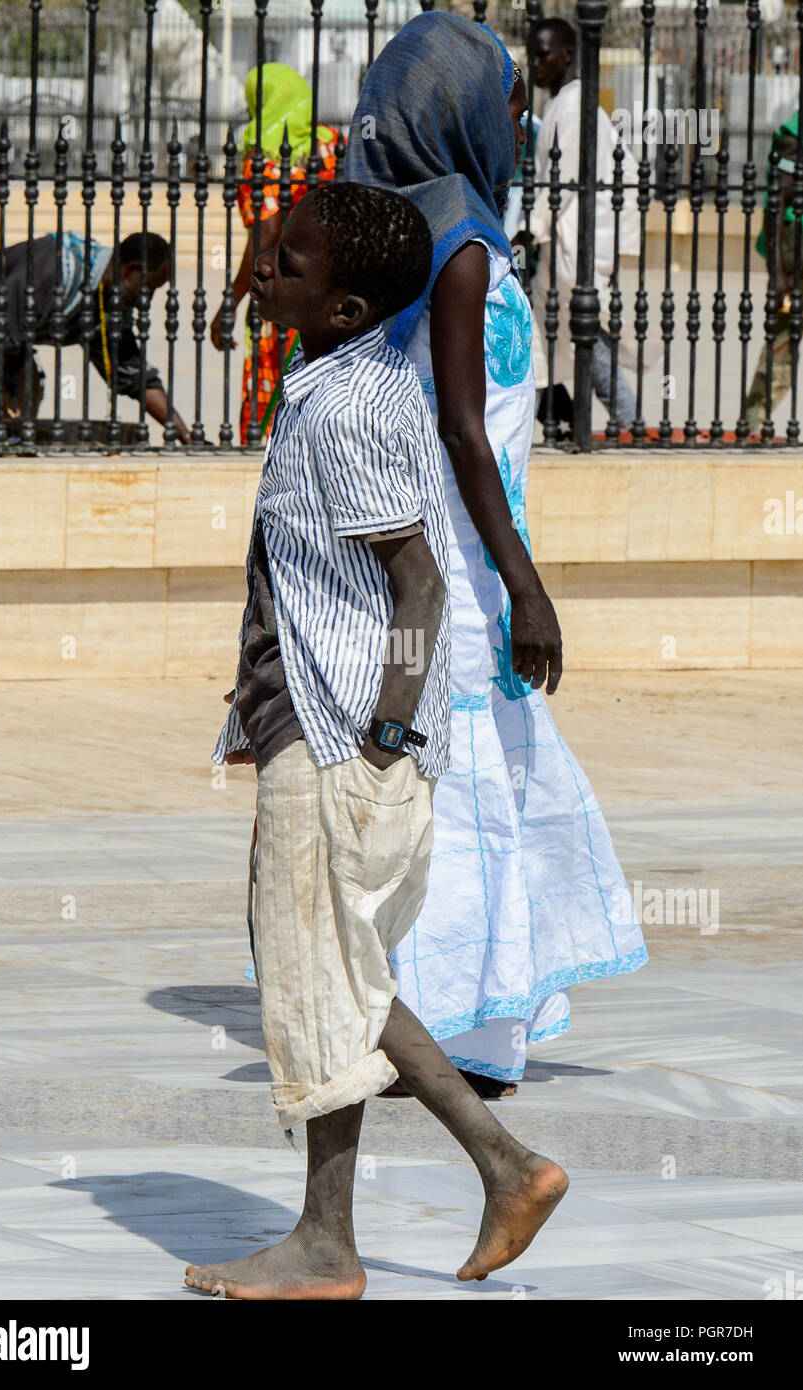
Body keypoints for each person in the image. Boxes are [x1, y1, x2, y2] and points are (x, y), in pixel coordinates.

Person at [186, 181, 568, 1300]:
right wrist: (260, 695)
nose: (264, 270)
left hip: (351, 736)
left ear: (347, 305)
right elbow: (314, 580)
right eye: (271, 248)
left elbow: (418, 582)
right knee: (344, 975)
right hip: (324, 716)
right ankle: (488, 1174)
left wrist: (384, 733)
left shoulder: (350, 402)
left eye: (291, 264)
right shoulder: (337, 380)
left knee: (324, 977)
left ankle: (346, 1235)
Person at [346, 12, 647, 1096]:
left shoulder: (397, 236)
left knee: (470, 794)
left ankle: (466, 1029)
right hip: (464, 583)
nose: (517, 122)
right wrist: (527, 589)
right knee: (461, 798)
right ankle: (455, 1032)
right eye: (507, 105)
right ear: (461, 113)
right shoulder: (457, 247)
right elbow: (461, 432)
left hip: (439, 569)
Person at [0, 230, 191, 446]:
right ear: (130, 270)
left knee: (15, 412)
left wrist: (184, 434)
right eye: (149, 289)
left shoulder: (105, 302)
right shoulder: (58, 266)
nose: (145, 301)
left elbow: (131, 373)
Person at [209, 63, 340, 443]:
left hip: (286, 295)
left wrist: (230, 303)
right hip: (333, 290)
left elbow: (265, 236)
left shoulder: (262, 154)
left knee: (271, 409)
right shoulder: (330, 143)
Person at [526, 17, 643, 434]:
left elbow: (566, 179)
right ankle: (566, 425)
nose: (535, 64)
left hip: (578, 244)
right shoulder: (563, 104)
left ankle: (628, 422)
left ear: (568, 54)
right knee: (550, 338)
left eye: (542, 55)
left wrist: (531, 228)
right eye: (532, 55)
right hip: (565, 243)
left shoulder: (575, 107)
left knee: (584, 337)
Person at [745, 110, 802, 433]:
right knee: (781, 343)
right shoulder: (793, 133)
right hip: (797, 253)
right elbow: (777, 201)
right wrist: (776, 271)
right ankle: (753, 423)